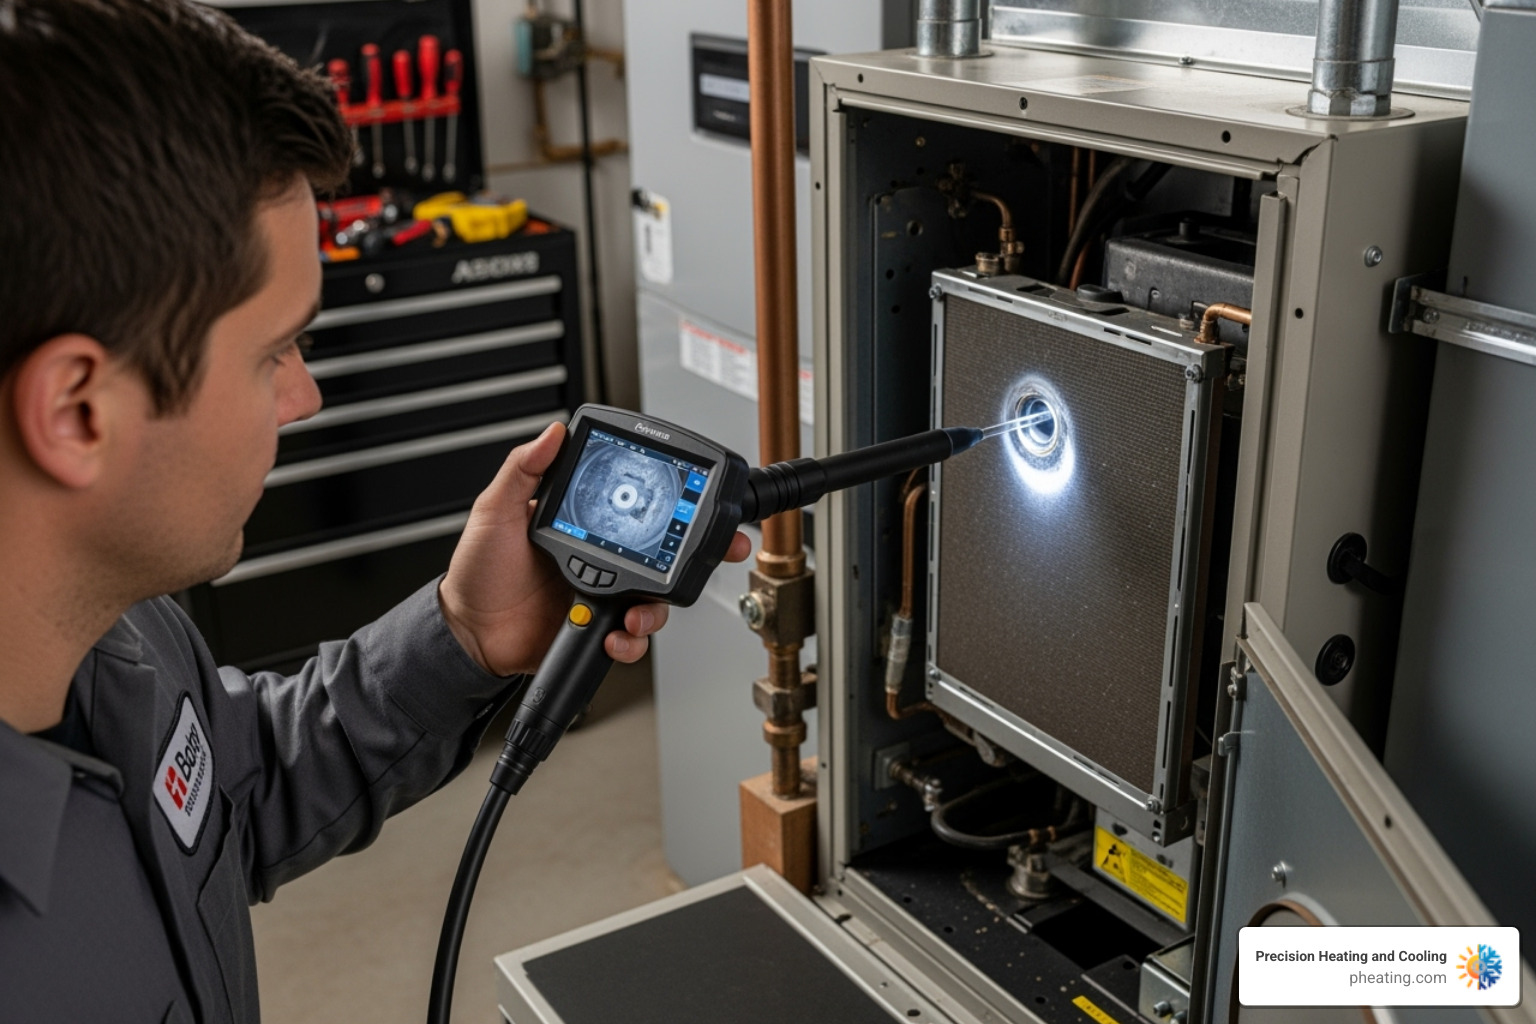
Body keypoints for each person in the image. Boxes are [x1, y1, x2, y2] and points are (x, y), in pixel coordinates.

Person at [0, 0, 750, 1019]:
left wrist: (463, 637)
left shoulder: (126, 633)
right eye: (275, 352)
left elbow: (234, 790)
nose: (305, 396)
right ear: (78, 410)